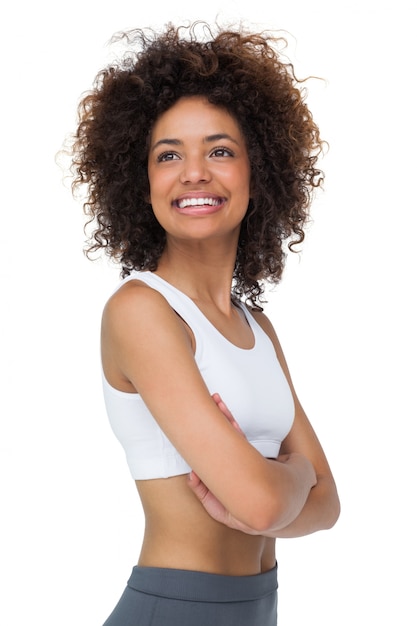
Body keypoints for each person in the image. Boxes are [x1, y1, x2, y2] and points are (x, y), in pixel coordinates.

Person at [69, 22, 340, 626]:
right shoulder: (140, 312)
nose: (194, 173)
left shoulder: (258, 327)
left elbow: (329, 506)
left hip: (256, 610)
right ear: (141, 183)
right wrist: (293, 474)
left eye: (219, 150)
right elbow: (270, 504)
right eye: (169, 155)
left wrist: (277, 488)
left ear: (257, 171)